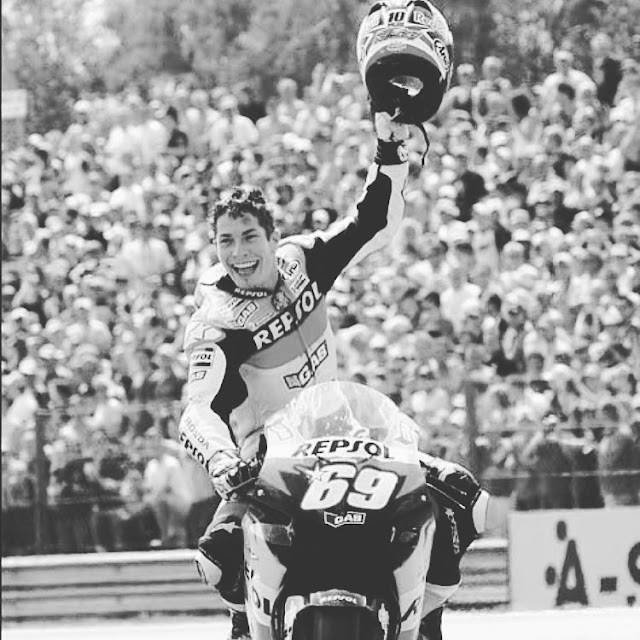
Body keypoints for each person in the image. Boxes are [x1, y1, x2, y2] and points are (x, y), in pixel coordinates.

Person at [178, 111, 493, 640]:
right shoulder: (216, 323)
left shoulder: (303, 262)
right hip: (269, 458)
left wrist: (389, 152)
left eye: (249, 237)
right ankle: (247, 624)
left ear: (274, 236)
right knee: (216, 558)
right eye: (225, 241)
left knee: (465, 497)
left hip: (348, 436)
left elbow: (374, 224)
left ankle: (425, 618)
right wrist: (222, 459)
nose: (239, 253)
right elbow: (197, 410)